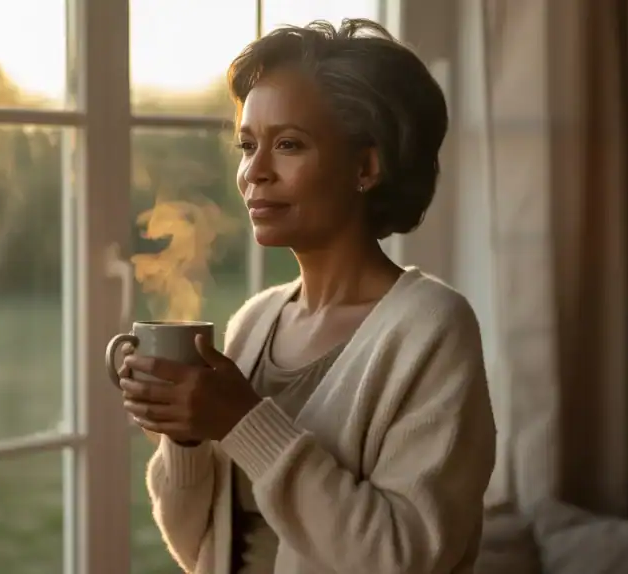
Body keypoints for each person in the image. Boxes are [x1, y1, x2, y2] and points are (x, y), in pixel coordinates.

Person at [116, 18, 497, 574]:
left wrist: (244, 423)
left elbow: (401, 557)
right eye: (248, 145)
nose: (254, 173)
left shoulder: (432, 329)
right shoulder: (256, 321)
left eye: (288, 145)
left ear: (366, 166)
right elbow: (197, 543)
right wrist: (187, 439)